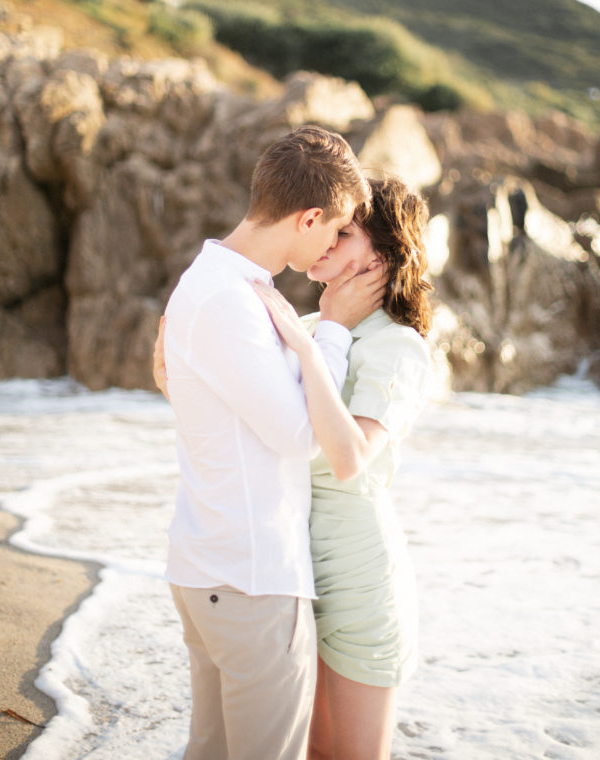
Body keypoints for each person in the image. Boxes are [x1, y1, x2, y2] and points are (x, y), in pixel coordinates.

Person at [157, 124, 388, 760]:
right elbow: (301, 435)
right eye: (334, 230)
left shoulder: (218, 283)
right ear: (308, 217)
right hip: (251, 577)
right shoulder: (229, 299)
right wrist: (333, 331)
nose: (333, 245)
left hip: (213, 565)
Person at [252, 175, 433, 760]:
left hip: (356, 574)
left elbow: (349, 458)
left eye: (345, 232)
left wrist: (321, 333)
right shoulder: (310, 331)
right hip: (288, 570)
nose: (327, 240)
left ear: (381, 256)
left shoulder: (397, 346)